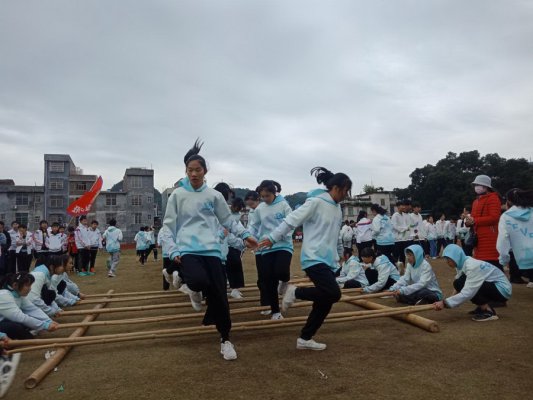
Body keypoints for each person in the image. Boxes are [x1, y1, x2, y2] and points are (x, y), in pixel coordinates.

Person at [163, 139, 258, 361]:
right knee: (197, 281)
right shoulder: (177, 195)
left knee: (220, 298)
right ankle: (186, 283)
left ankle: (225, 340)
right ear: (185, 171)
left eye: (197, 170)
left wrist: (245, 236)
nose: (193, 174)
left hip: (212, 251)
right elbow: (168, 226)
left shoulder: (214, 196)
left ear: (205, 171)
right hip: (188, 249)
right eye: (190, 170)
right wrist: (173, 250)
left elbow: (228, 220)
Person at [259, 166, 351, 351]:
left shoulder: (337, 208)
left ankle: (305, 338)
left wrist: (341, 253)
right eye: (345, 191)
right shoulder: (315, 202)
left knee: (325, 301)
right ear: (336, 188)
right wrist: (272, 238)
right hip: (313, 257)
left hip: (329, 260)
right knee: (334, 293)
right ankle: (295, 292)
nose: (346, 195)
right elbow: (291, 220)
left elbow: (335, 234)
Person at [433, 244, 511, 321]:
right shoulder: (462, 263)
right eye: (446, 259)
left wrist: (445, 303)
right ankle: (482, 307)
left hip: (503, 290)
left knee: (466, 285)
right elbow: (458, 285)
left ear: (456, 257)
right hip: (494, 286)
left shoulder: (471, 266)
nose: (447, 262)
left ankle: (488, 311)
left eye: (448, 259)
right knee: (458, 282)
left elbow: (468, 292)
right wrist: (449, 300)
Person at [251, 180, 293, 320]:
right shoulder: (260, 209)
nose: (265, 199)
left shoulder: (284, 205)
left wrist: (281, 236)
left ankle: (285, 281)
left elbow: (291, 223)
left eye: (267, 196)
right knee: (269, 280)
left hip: (283, 245)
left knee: (281, 271)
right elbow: (254, 226)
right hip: (266, 247)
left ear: (274, 193)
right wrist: (249, 238)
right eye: (262, 196)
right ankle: (276, 311)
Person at [0, 272, 58, 340]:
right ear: (15, 285)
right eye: (27, 285)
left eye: (30, 285)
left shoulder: (19, 295)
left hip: (6, 322)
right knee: (16, 327)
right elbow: (20, 317)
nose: (30, 288)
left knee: (27, 322)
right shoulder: (4, 295)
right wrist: (45, 325)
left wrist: (48, 321)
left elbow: (33, 309)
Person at [497, 188, 533, 287]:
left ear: (508, 201)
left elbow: (503, 240)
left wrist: (504, 259)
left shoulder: (505, 217)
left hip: (523, 259)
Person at [465, 175, 502, 270]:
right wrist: (468, 222)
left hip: (490, 237)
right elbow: (473, 218)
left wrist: (474, 220)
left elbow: (494, 218)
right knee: (481, 265)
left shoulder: (493, 198)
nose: (476, 187)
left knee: (493, 264)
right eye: (475, 185)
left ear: (486, 186)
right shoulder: (475, 201)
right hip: (478, 238)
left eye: (478, 184)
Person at [391, 200, 411, 272]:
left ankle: (402, 269)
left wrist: (407, 228)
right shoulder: (395, 215)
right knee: (396, 255)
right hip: (397, 239)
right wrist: (405, 228)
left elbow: (406, 225)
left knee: (403, 255)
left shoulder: (403, 215)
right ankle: (395, 270)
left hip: (404, 238)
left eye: (404, 205)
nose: (403, 207)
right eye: (402, 205)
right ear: (398, 207)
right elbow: (395, 226)